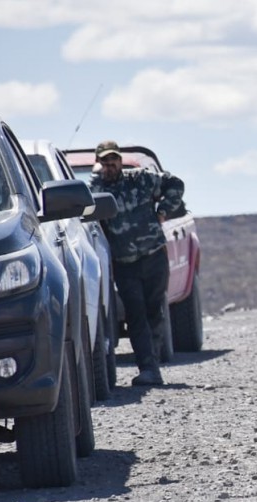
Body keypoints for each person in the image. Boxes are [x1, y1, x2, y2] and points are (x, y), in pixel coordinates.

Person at [90, 140, 184, 386]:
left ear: (120, 161)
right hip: (124, 263)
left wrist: (163, 211)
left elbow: (175, 184)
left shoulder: (140, 179)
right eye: (105, 162)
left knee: (154, 311)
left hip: (153, 255)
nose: (110, 165)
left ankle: (153, 362)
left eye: (114, 160)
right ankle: (148, 368)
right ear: (98, 163)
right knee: (136, 314)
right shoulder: (95, 190)